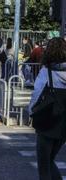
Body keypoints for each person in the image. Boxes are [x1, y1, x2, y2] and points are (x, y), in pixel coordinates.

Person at [29, 37, 66, 180]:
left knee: (44, 165)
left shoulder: (47, 72)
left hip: (48, 120)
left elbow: (37, 95)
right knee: (50, 160)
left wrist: (31, 111)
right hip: (64, 123)